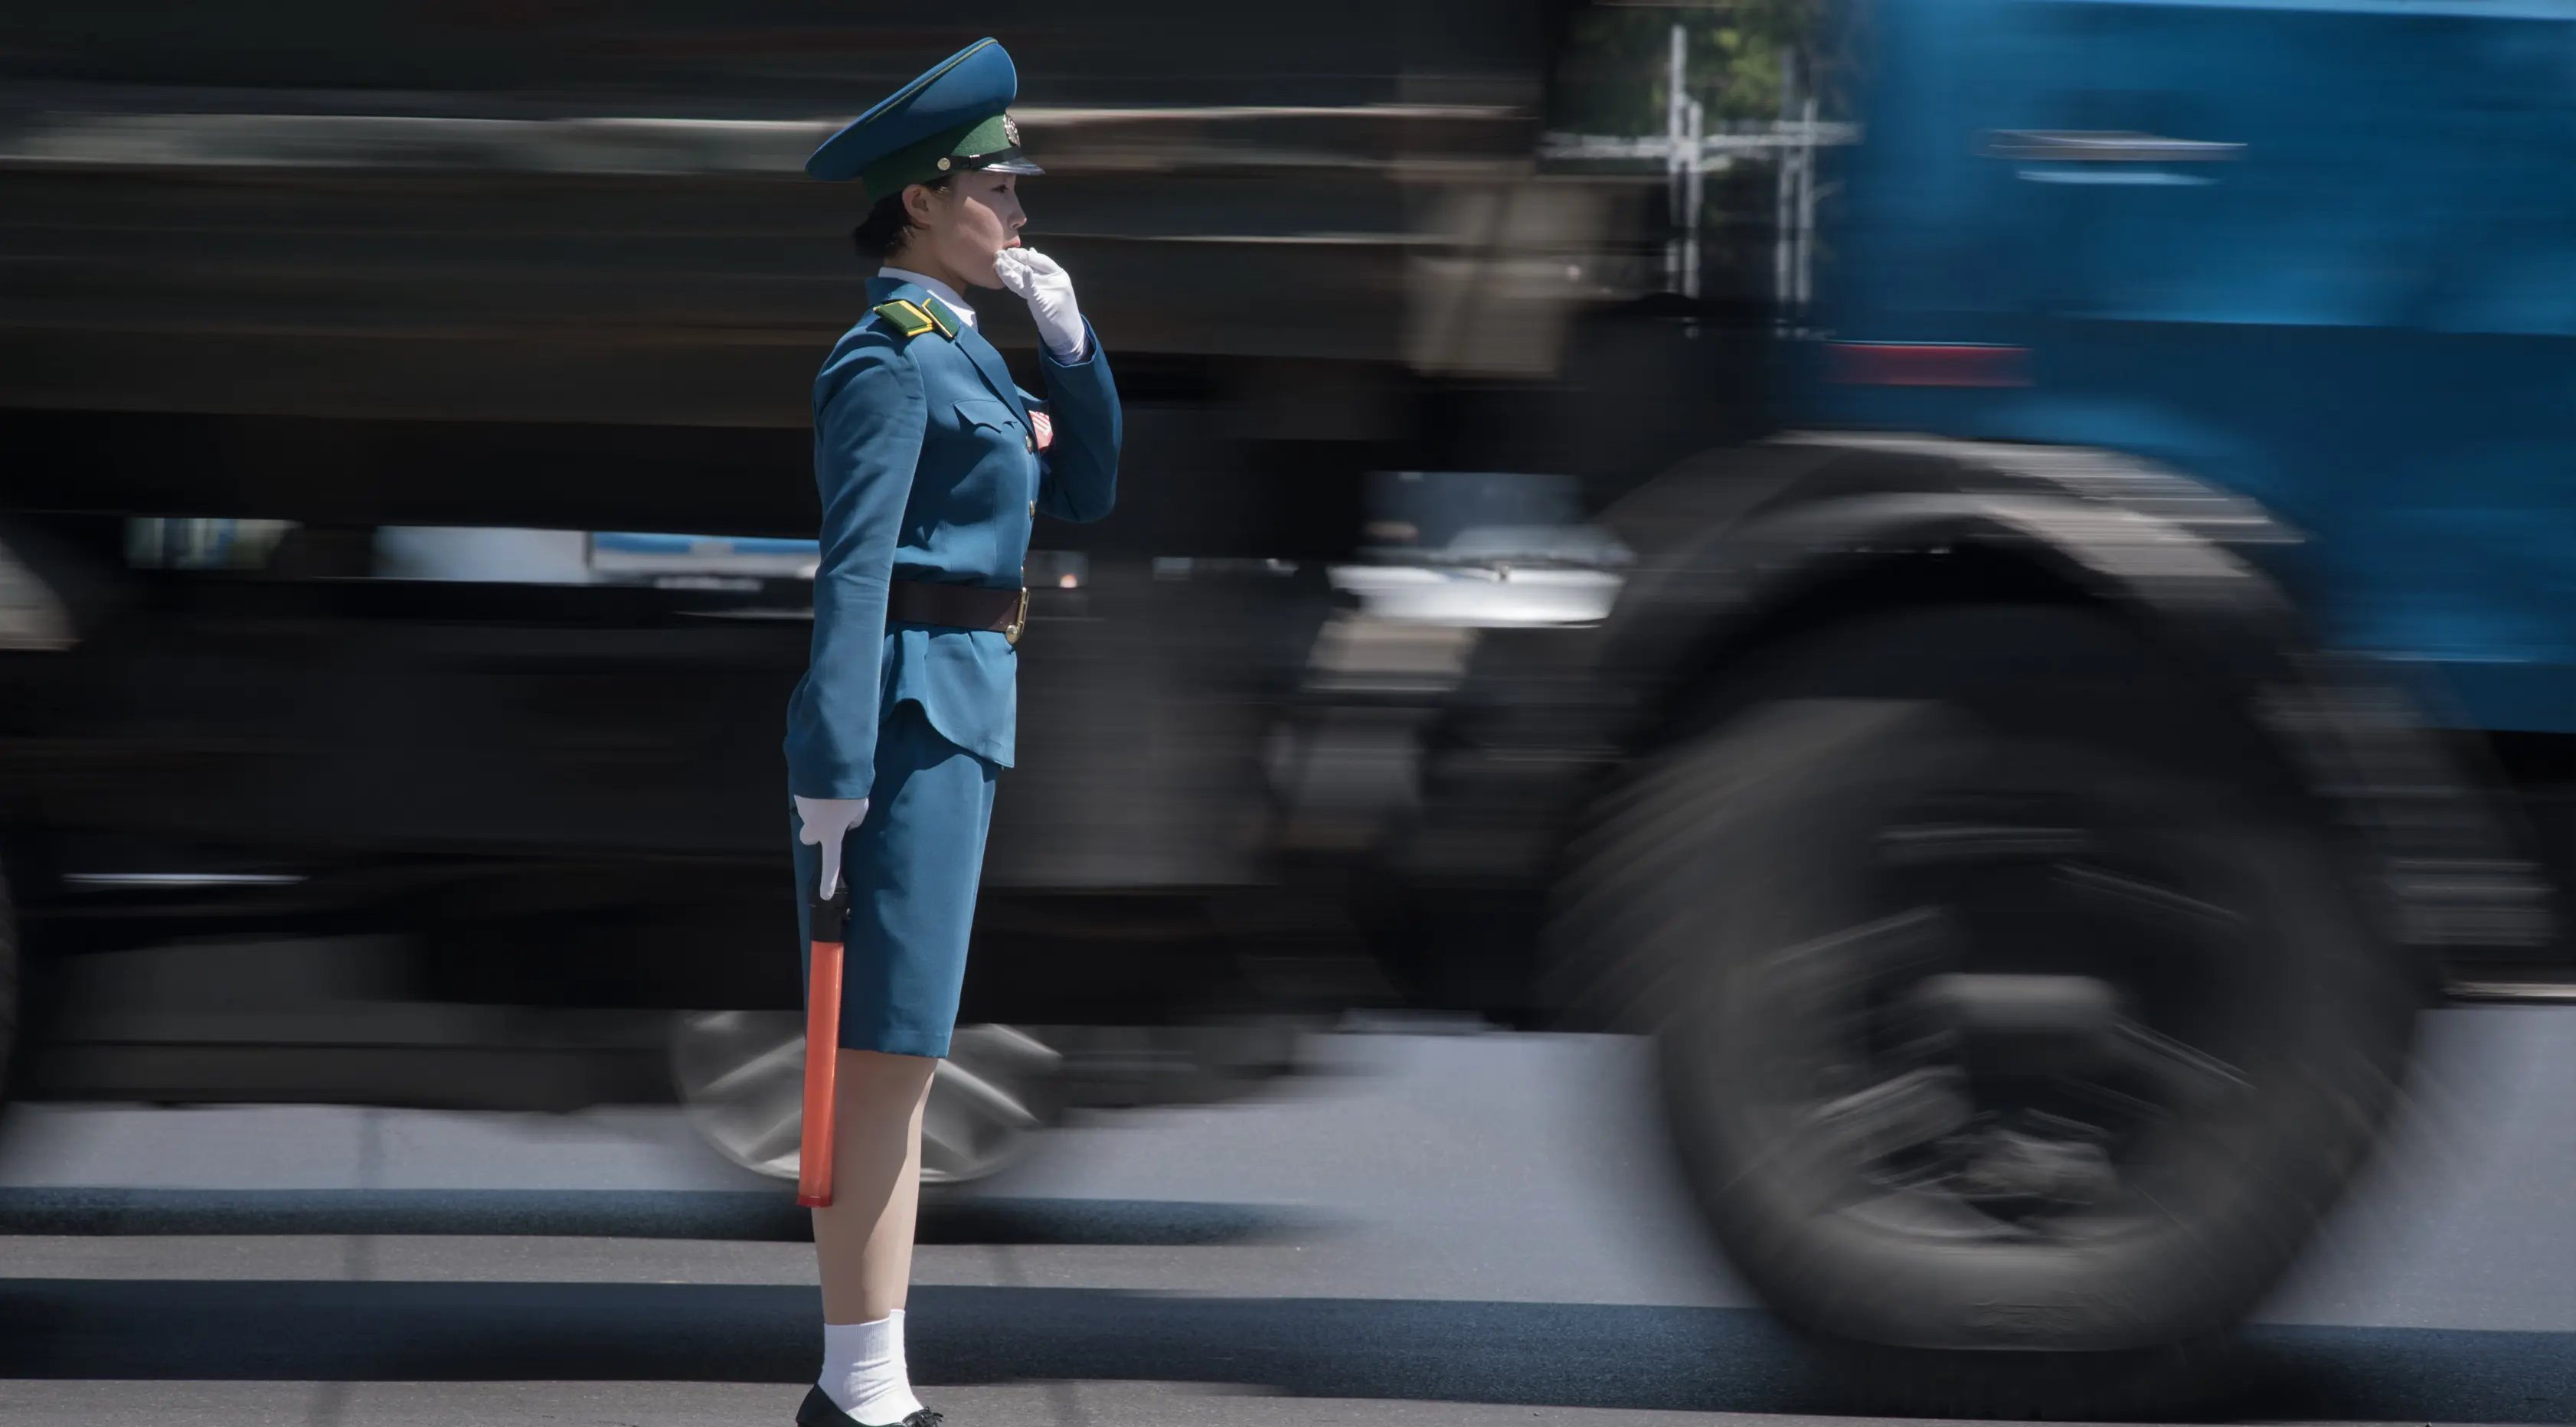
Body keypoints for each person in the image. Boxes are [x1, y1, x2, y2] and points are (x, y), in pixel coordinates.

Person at [782, 36, 1120, 1427]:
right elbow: (855, 571)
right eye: (997, 189)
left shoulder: (968, 352)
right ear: (920, 200)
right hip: (907, 721)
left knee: (909, 1057)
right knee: (885, 1058)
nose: (1019, 214)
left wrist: (1076, 350)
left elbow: (1084, 491)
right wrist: (835, 777)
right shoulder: (887, 360)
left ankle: (865, 1385)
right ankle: (861, 1391)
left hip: (967, 708)